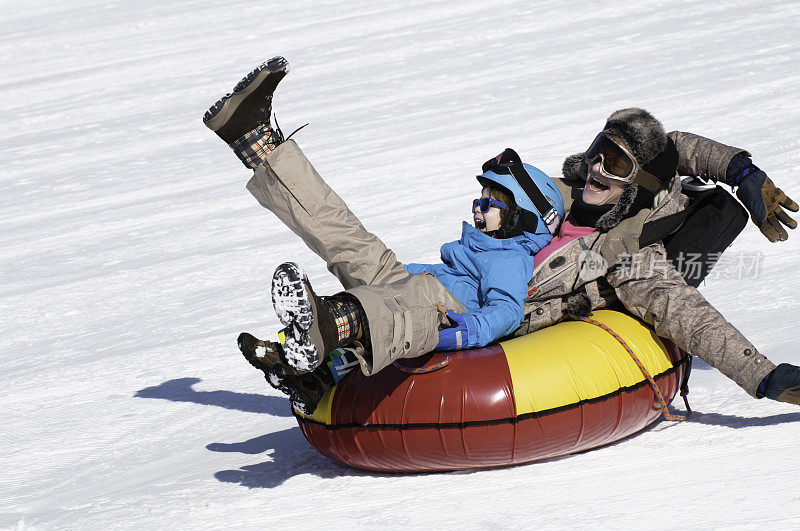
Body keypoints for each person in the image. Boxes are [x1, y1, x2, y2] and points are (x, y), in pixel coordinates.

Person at [203, 57, 564, 413]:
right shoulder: (483, 249)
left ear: (522, 220)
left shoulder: (510, 257)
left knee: (395, 305)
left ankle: (323, 325)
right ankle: (254, 140)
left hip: (443, 313)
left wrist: (472, 329)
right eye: (478, 198)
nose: (477, 208)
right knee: (351, 241)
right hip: (413, 285)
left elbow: (507, 310)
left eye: (490, 204)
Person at [514, 107, 800, 407]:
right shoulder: (567, 193)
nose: (597, 168)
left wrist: (761, 375)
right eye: (599, 151)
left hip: (505, 313)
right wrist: (741, 170)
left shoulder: (625, 253)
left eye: (615, 164)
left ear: (637, 186)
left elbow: (682, 311)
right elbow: (675, 146)